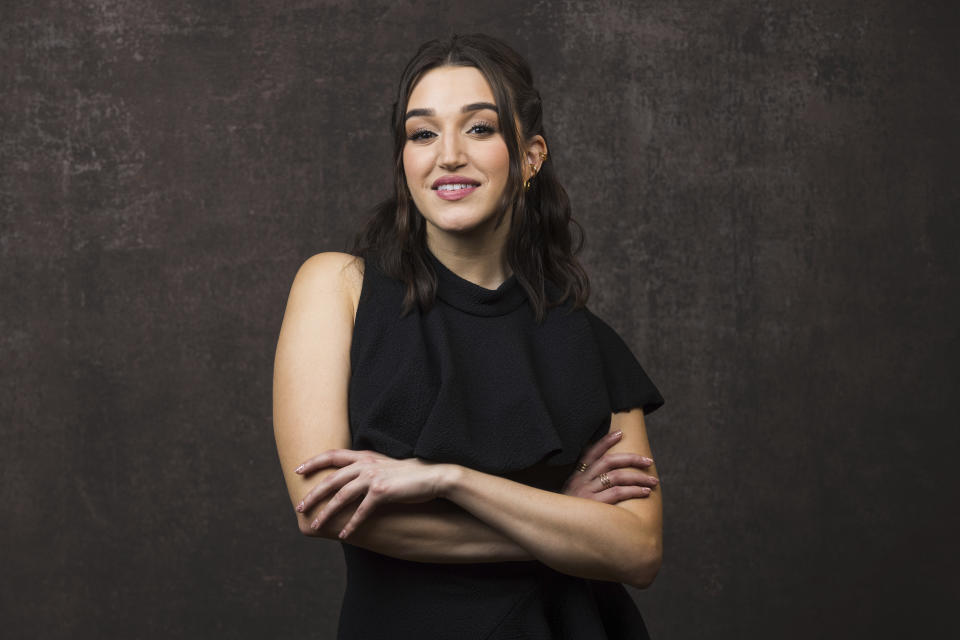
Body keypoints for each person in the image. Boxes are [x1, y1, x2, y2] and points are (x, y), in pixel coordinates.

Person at [272, 33, 666, 640]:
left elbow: (636, 551)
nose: (448, 155)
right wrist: (561, 528)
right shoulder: (338, 288)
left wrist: (449, 480)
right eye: (423, 133)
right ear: (405, 158)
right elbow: (325, 506)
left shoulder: (589, 342)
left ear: (530, 156)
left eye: (479, 129)